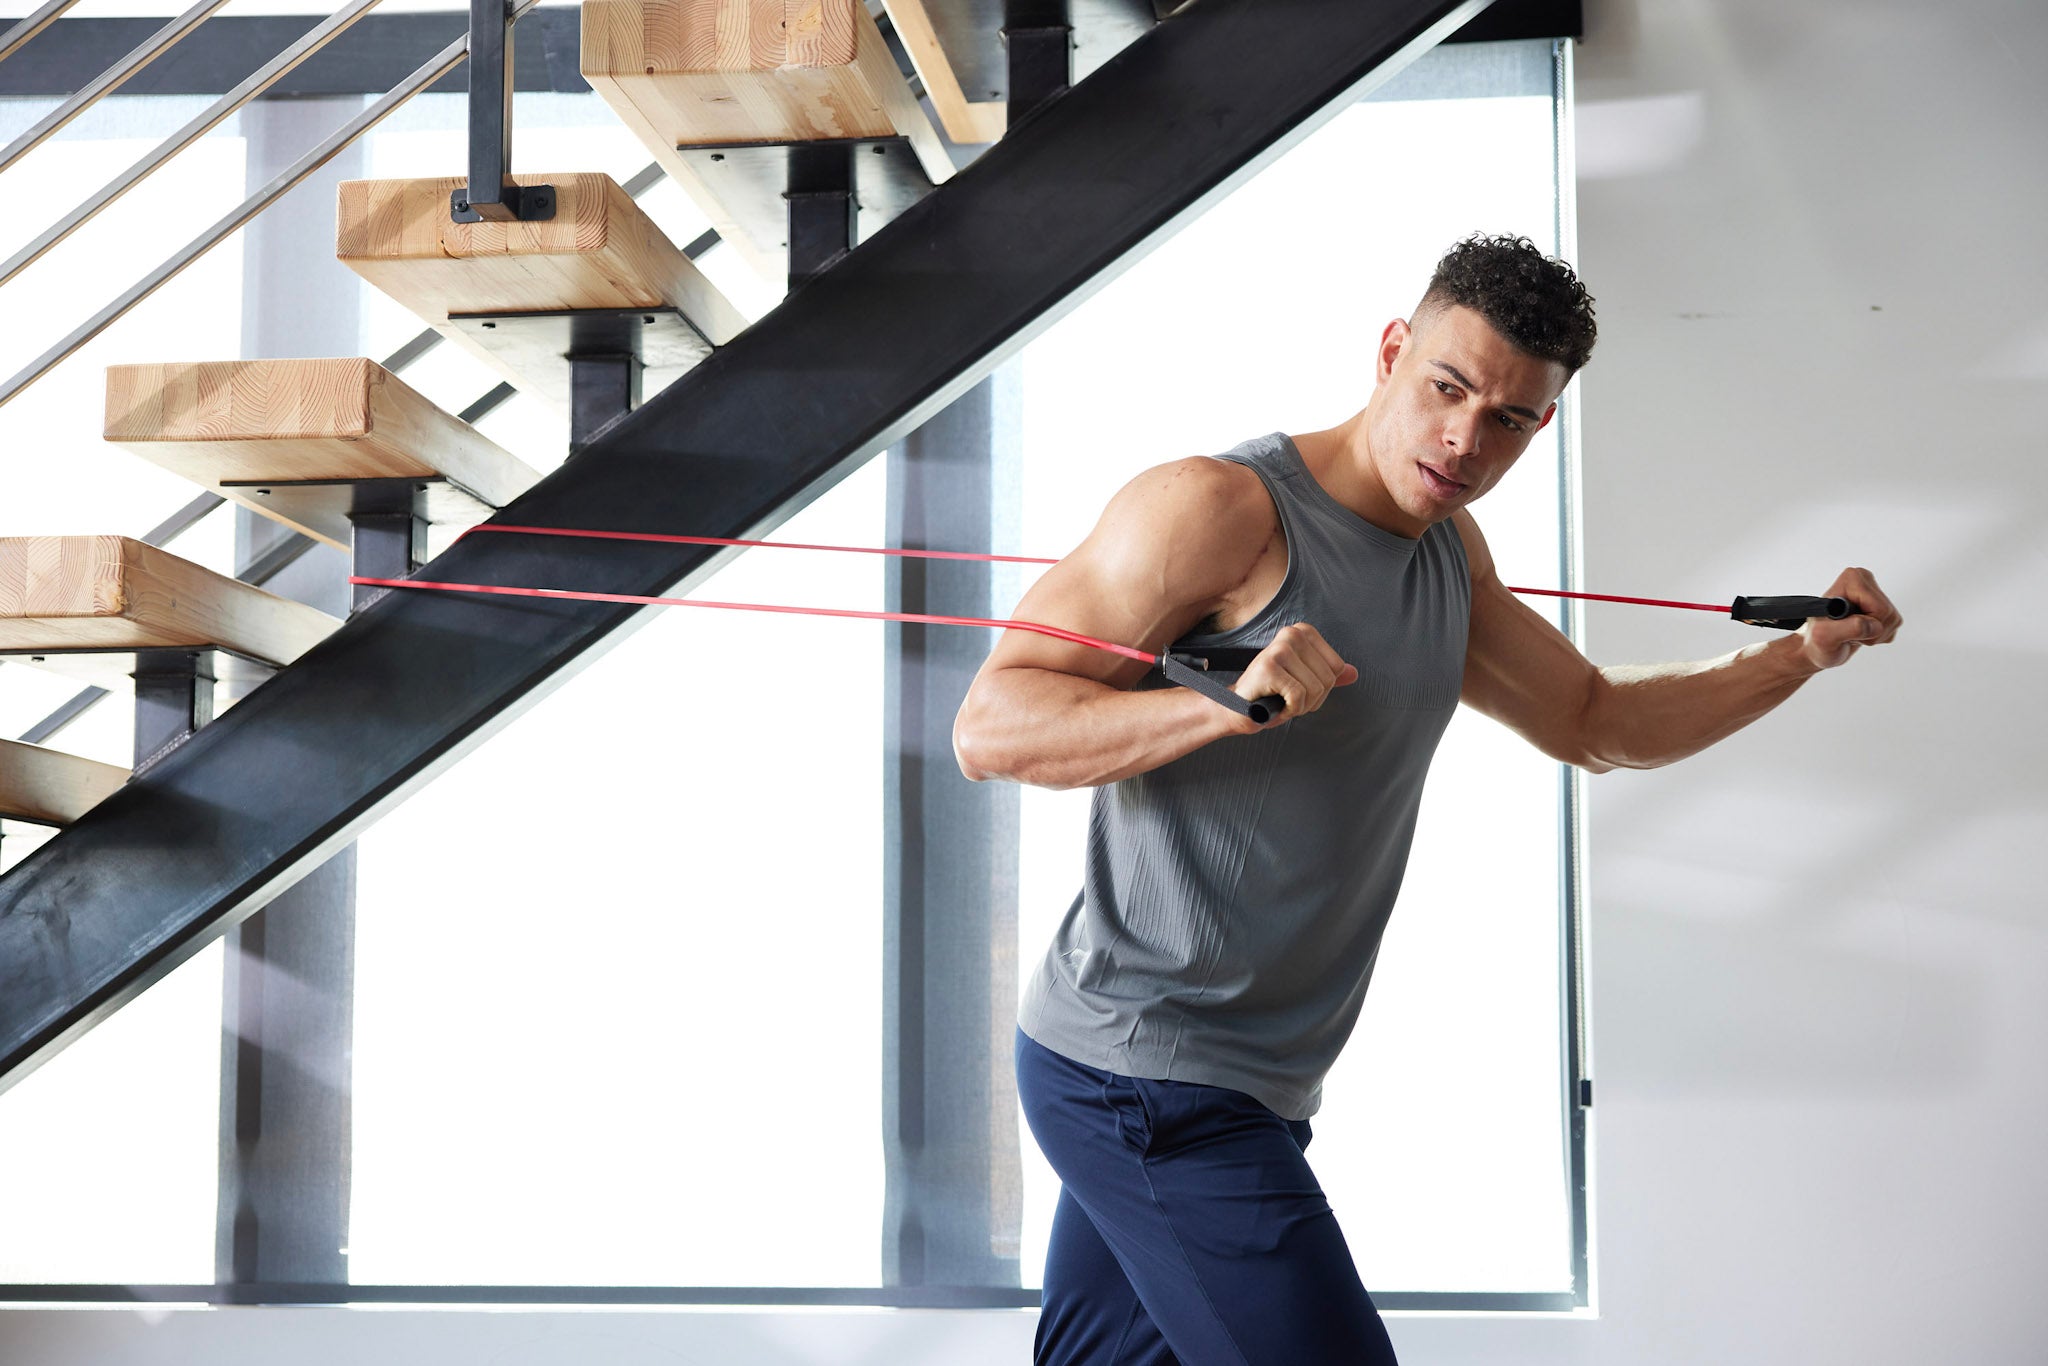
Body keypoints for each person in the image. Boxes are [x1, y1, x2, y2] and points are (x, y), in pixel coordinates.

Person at [951, 233, 1904, 1366]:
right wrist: (1219, 705)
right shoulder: (1215, 509)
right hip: (1142, 1070)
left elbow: (1593, 720)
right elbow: (990, 726)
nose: (1464, 438)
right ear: (1392, 350)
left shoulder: (1449, 550)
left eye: (1508, 418)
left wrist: (1795, 658)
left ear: (1540, 424)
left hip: (1249, 1083)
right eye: (1447, 389)